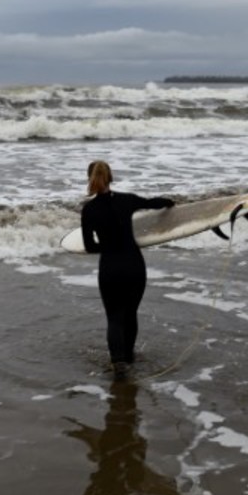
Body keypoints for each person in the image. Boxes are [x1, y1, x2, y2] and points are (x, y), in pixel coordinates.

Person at [80, 161, 174, 379]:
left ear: (89, 178)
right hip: (134, 266)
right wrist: (170, 203)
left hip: (111, 268)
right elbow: (154, 203)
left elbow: (89, 246)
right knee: (130, 314)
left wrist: (107, 246)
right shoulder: (127, 200)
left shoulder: (89, 210)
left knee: (114, 317)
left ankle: (118, 362)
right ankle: (129, 357)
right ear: (111, 177)